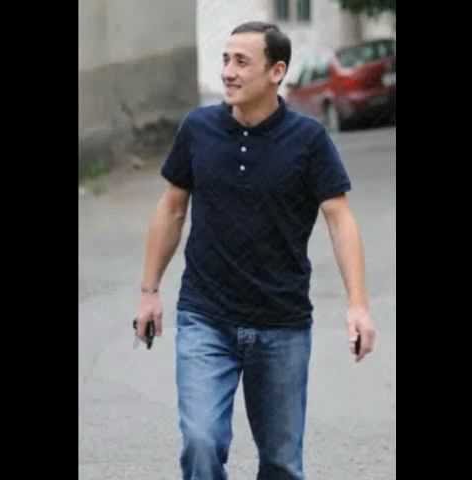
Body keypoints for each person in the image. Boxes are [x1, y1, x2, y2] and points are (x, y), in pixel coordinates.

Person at [135, 21, 376, 480]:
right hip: (205, 317)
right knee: (201, 444)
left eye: (242, 62)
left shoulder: (309, 140)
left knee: (282, 464)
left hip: (281, 323)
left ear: (276, 72)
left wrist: (358, 306)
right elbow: (171, 209)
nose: (228, 71)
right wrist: (149, 292)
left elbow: (340, 219)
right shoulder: (198, 129)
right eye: (226, 60)